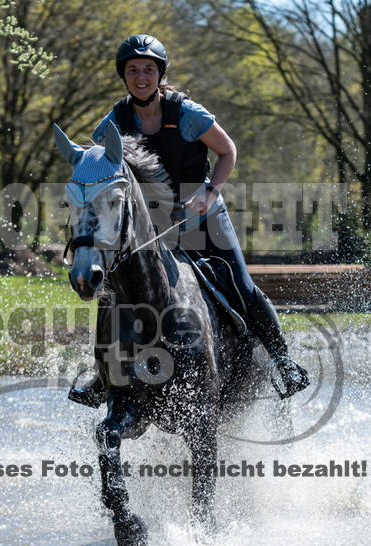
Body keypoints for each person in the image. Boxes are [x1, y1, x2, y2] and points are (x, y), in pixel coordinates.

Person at [69, 33, 309, 405]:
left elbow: (228, 151)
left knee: (241, 286)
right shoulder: (110, 127)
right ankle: (103, 377)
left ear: (159, 74)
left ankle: (282, 360)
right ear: (124, 77)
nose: (141, 77)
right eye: (133, 70)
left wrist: (210, 191)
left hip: (204, 216)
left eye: (148, 69)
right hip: (152, 225)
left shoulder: (188, 114)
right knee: (115, 289)